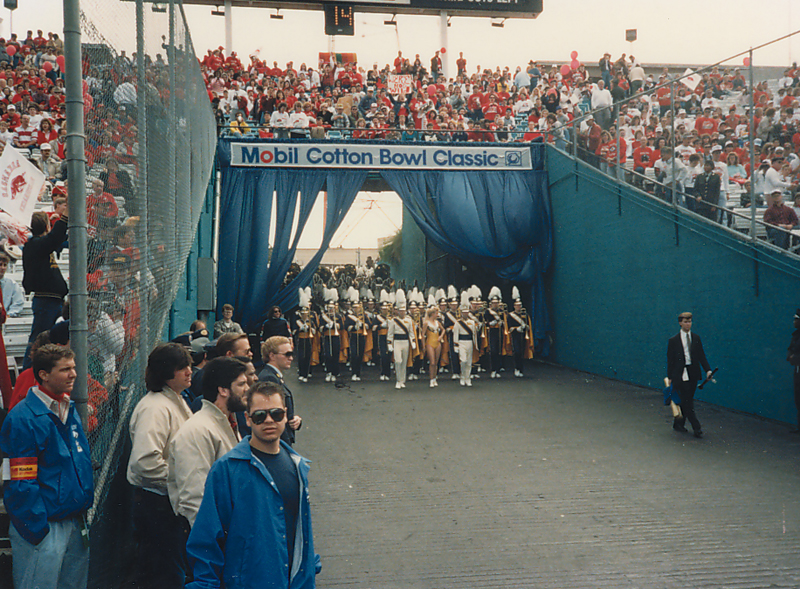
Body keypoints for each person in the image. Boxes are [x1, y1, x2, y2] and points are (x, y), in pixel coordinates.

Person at [185, 381, 321, 589]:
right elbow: (207, 536)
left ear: (285, 415)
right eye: (259, 416)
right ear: (248, 419)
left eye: (275, 414)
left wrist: (309, 564)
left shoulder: (297, 465)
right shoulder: (227, 469)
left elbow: (299, 527)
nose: (269, 421)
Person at [0, 344, 93, 589]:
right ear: (44, 374)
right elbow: (20, 481)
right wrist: (38, 529)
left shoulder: (67, 407)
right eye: (65, 369)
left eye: (73, 367)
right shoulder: (23, 418)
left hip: (73, 521)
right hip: (45, 527)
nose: (74, 374)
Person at [127, 343, 194, 588]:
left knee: (171, 568)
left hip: (168, 502)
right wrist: (182, 480)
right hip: (157, 504)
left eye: (188, 365)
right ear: (166, 372)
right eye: (181, 367)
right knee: (163, 574)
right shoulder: (155, 407)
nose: (189, 371)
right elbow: (144, 461)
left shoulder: (174, 400)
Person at [168, 356, 248, 527]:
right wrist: (213, 544)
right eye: (241, 384)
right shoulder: (197, 431)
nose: (248, 389)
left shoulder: (227, 423)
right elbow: (195, 499)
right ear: (223, 390)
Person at [22, 211, 68, 369]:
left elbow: (58, 240)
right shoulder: (35, 244)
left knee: (51, 338)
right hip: (45, 301)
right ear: (47, 226)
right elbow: (54, 238)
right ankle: (28, 373)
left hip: (54, 301)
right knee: (39, 339)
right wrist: (64, 218)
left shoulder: (41, 245)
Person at [666, 312, 713, 438]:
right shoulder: (673, 340)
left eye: (690, 321)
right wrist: (670, 377)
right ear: (680, 323)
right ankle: (696, 427)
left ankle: (678, 424)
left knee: (686, 400)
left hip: (692, 373)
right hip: (680, 374)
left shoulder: (696, 338)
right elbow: (670, 360)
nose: (688, 324)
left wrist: (708, 370)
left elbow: (701, 356)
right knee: (688, 401)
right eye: (686, 322)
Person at [258, 336, 302, 445]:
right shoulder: (269, 378)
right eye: (287, 354)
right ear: (272, 356)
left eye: (291, 354)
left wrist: (295, 420)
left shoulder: (275, 376)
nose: (291, 358)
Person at [387, 291, 415, 389]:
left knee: (404, 362)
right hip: (397, 342)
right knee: (398, 361)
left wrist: (413, 342)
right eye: (400, 311)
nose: (402, 312)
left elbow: (411, 332)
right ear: (398, 311)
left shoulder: (409, 320)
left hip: (406, 342)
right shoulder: (393, 321)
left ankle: (402, 380)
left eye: (404, 311)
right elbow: (390, 334)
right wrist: (389, 344)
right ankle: (398, 380)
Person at [0, 251, 24, 317]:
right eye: (0, 264)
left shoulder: (12, 285)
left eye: (4, 265)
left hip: (7, 319)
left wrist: (8, 315)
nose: (2, 268)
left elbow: (18, 303)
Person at [424, 306, 443, 387]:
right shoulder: (426, 323)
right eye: (436, 313)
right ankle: (431, 379)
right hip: (429, 343)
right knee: (432, 362)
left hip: (437, 343)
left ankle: (435, 378)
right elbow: (422, 334)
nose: (437, 315)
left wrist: (441, 336)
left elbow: (443, 330)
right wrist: (423, 346)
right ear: (432, 314)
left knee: (436, 362)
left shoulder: (438, 323)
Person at [788, 309, 800, 433]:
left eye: (796, 319)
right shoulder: (796, 335)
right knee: (798, 398)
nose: (794, 322)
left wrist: (795, 358)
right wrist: (790, 356)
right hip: (797, 371)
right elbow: (790, 349)